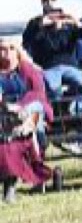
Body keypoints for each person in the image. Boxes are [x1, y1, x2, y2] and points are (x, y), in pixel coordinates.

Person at [0, 36, 56, 201]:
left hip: (33, 114)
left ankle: (22, 127)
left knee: (33, 108)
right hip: (5, 119)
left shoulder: (28, 70)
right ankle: (20, 130)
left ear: (17, 52)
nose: (7, 53)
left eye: (11, 48)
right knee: (11, 130)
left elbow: (38, 94)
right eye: (3, 49)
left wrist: (20, 107)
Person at [23, 0, 82, 117]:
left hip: (70, 64)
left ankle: (73, 113)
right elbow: (27, 43)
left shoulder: (68, 21)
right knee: (53, 90)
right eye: (46, 0)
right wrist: (41, 26)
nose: (50, 3)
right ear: (42, 3)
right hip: (49, 66)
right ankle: (57, 115)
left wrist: (77, 23)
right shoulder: (35, 22)